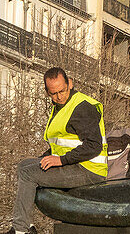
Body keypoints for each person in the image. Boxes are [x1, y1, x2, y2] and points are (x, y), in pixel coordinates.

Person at [5, 68, 107, 234]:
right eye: (54, 93)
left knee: (28, 174)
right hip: (74, 163)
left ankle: (20, 230)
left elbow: (94, 146)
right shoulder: (60, 107)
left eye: (62, 91)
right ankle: (28, 225)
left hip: (89, 169)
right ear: (47, 92)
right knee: (24, 166)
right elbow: (60, 145)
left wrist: (60, 160)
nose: (59, 97)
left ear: (70, 84)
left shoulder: (82, 107)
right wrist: (42, 160)